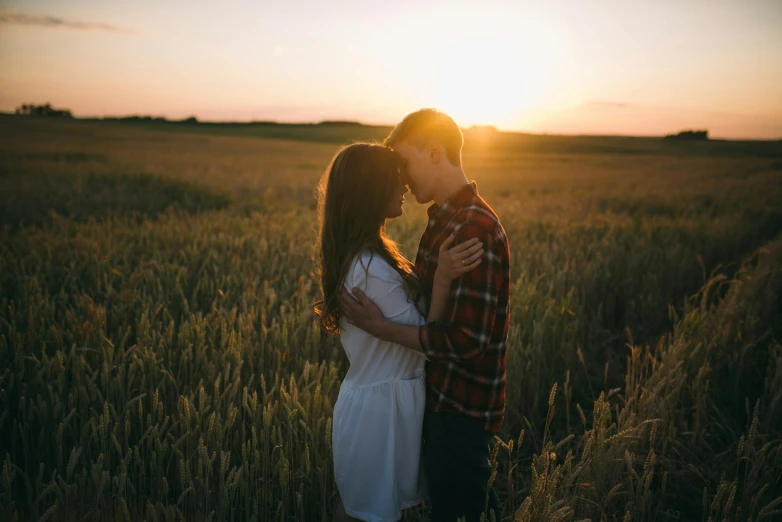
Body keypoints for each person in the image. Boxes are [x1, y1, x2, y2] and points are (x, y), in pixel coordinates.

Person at [340, 109, 511, 522]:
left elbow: (467, 343)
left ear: (435, 151)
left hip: (460, 412)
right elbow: (425, 307)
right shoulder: (442, 221)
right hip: (437, 404)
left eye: (405, 162)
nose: (401, 177)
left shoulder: (472, 228)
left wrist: (381, 328)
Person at [314, 142, 485, 522]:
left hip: (383, 408)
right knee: (365, 514)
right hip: (379, 416)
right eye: (395, 177)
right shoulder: (371, 269)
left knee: (365, 511)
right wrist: (441, 280)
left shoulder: (371, 255)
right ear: (371, 188)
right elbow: (425, 342)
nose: (405, 184)